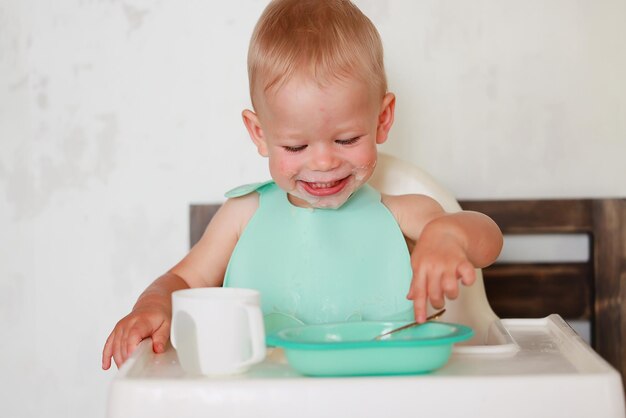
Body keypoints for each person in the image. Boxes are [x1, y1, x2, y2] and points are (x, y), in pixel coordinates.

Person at [102, 0, 503, 370]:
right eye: (295, 145)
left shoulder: (402, 213)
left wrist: (449, 235)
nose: (324, 162)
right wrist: (153, 304)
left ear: (381, 120)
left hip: (382, 396)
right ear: (260, 134)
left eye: (347, 140)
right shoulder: (243, 216)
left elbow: (487, 244)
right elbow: (185, 280)